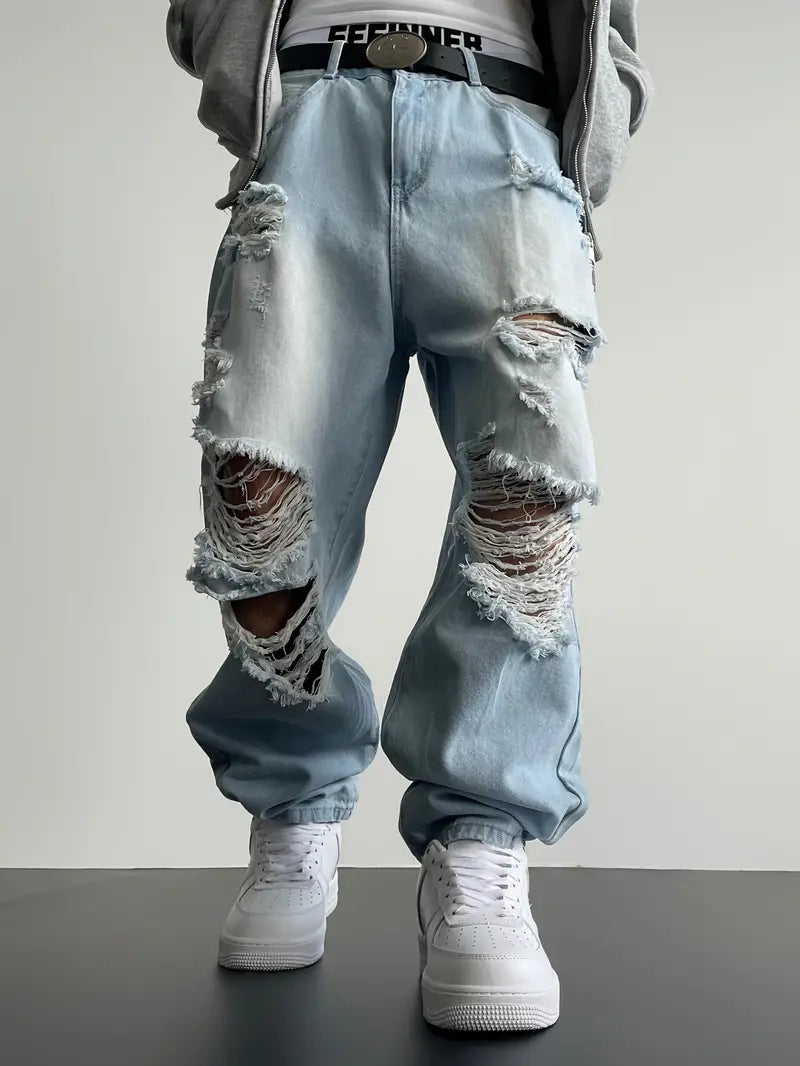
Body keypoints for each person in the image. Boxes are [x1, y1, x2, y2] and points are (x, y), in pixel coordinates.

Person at [166, 0, 653, 1033]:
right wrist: (249, 89)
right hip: (315, 117)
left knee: (523, 514)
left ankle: (479, 844)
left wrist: (593, 123)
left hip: (504, 132)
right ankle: (293, 813)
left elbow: (613, 33)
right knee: (258, 506)